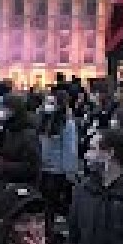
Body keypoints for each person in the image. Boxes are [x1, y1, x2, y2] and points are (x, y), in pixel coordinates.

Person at [37, 91, 80, 221]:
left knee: (50, 205)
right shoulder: (47, 120)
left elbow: (69, 149)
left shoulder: (65, 123)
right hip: (49, 169)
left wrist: (70, 172)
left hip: (55, 169)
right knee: (48, 205)